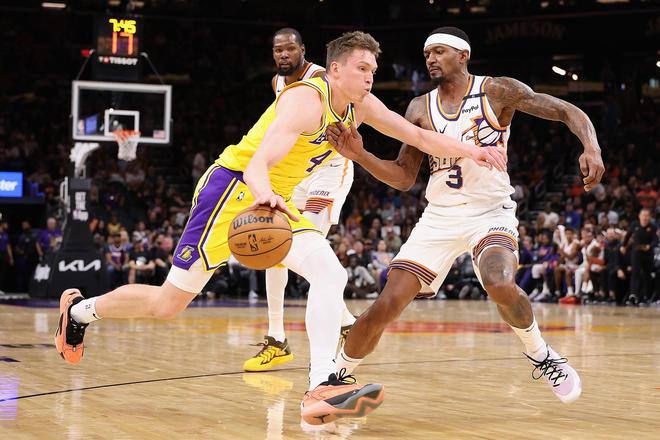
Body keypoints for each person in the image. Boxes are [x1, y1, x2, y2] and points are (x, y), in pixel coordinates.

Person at [54, 31, 505, 425]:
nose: (370, 77)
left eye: (373, 69)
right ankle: (78, 312)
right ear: (335, 70)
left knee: (331, 274)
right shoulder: (305, 100)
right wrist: (265, 193)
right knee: (168, 303)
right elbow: (257, 164)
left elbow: (419, 137)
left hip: (276, 200)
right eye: (362, 68)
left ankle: (321, 385)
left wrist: (473, 151)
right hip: (232, 191)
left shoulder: (360, 106)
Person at [328, 27, 604, 410]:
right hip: (439, 217)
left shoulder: (496, 91)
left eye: (439, 51)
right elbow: (404, 177)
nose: (430, 58)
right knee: (385, 305)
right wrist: (360, 155)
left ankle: (540, 353)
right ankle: (334, 380)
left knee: (499, 281)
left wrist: (591, 146)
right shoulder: (419, 108)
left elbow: (566, 110)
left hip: (489, 212)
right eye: (427, 53)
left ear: (463, 55)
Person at [244, 28, 357, 373]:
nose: (283, 54)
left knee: (307, 247)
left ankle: (339, 331)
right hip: (297, 173)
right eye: (278, 49)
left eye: (290, 48)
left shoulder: (322, 79)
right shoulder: (278, 83)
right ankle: (279, 338)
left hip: (329, 169)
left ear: (303, 50)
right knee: (274, 244)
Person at [621, 208, 657, 306]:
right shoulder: (634, 225)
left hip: (648, 254)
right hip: (636, 253)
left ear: (650, 217)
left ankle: (646, 296)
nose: (645, 217)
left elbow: (655, 240)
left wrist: (649, 246)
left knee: (647, 275)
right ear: (639, 216)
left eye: (647, 215)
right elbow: (628, 235)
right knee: (635, 273)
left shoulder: (653, 227)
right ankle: (633, 295)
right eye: (643, 215)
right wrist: (623, 246)